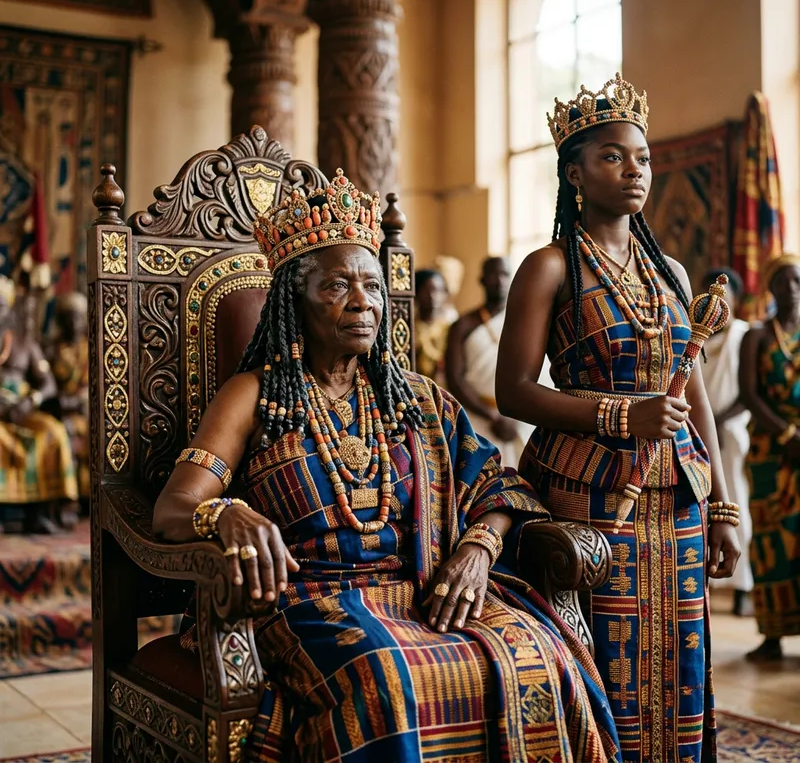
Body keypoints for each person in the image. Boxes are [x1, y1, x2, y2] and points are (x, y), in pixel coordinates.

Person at [153, 170, 621, 762]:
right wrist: (227, 515)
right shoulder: (253, 394)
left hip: (422, 589)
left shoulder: (415, 399)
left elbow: (500, 486)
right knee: (386, 684)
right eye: (337, 286)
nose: (362, 302)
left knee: (541, 655)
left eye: (372, 286)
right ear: (294, 300)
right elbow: (175, 507)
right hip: (308, 601)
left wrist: (477, 550)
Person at [495, 74, 740, 763]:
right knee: (604, 659)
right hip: (591, 489)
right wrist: (618, 415)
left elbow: (691, 399)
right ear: (574, 172)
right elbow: (512, 390)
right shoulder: (548, 268)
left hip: (678, 496)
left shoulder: (672, 275)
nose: (634, 170)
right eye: (612, 156)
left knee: (684, 657)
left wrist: (722, 506)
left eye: (642, 157)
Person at [739, 253, 800, 660]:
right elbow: (749, 394)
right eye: (784, 282)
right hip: (769, 451)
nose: (792, 290)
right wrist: (787, 432)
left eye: (798, 282)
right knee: (770, 540)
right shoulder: (758, 336)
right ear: (771, 289)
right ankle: (773, 633)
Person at [0, 275, 78, 532]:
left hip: (22, 408)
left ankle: (43, 510)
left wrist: (30, 400)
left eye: (0, 305)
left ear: (9, 307)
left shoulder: (25, 343)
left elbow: (48, 385)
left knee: (53, 432)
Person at [700, 268, 754, 616]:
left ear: (735, 299)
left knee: (736, 507)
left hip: (732, 431)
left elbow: (749, 391)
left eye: (725, 294)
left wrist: (719, 421)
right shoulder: (698, 339)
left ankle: (743, 588)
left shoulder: (742, 335)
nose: (718, 301)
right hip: (700, 432)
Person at [446, 256, 532, 467]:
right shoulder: (463, 326)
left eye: (504, 274)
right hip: (478, 418)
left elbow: (538, 375)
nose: (499, 280)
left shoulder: (526, 322)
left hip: (521, 420)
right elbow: (455, 379)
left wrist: (516, 416)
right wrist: (492, 416)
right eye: (493, 274)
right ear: (482, 280)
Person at [47, 293, 90, 500]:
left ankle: (88, 497)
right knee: (66, 431)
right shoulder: (53, 349)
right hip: (62, 409)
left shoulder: (92, 348)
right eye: (69, 317)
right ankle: (68, 498)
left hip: (88, 409)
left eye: (78, 317)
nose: (74, 323)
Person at [414, 268, 456, 383]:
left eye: (438, 291)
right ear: (416, 292)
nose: (433, 296)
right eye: (427, 290)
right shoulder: (410, 328)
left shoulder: (450, 328)